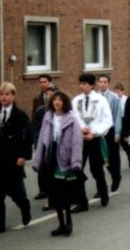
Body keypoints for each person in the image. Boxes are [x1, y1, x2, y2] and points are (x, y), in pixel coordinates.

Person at [33, 91, 83, 237]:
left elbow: (77, 141)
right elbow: (43, 136)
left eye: (60, 100)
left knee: (64, 193)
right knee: (54, 194)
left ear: (65, 102)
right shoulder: (48, 116)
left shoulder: (72, 118)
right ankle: (60, 223)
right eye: (55, 100)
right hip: (51, 157)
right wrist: (38, 159)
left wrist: (76, 161)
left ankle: (69, 222)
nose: (57, 102)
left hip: (64, 158)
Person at [71, 74, 113, 213]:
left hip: (95, 139)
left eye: (84, 83)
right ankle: (82, 201)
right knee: (77, 169)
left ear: (91, 85)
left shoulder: (101, 100)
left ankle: (103, 192)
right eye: (80, 83)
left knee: (96, 169)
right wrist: (81, 128)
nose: (81, 86)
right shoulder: (76, 100)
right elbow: (74, 118)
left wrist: (94, 132)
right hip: (80, 140)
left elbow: (108, 121)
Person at [0, 82, 32, 234]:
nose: (4, 97)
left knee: (17, 193)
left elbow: (28, 137)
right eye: (1, 94)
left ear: (13, 96)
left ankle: (25, 207)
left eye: (7, 94)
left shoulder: (20, 115)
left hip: (13, 159)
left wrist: (24, 155)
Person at [96, 74, 122, 192]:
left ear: (108, 83)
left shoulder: (114, 98)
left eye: (105, 82)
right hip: (97, 132)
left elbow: (117, 116)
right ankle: (101, 187)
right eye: (100, 81)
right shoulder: (94, 97)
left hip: (110, 131)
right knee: (98, 161)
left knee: (112, 158)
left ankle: (116, 177)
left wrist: (117, 133)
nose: (102, 84)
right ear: (97, 83)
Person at [32, 84, 57, 205]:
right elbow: (36, 128)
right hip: (42, 142)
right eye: (48, 94)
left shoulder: (60, 110)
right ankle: (43, 190)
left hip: (55, 144)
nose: (50, 96)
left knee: (52, 170)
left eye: (52, 94)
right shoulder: (41, 110)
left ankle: (54, 196)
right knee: (41, 168)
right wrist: (36, 143)